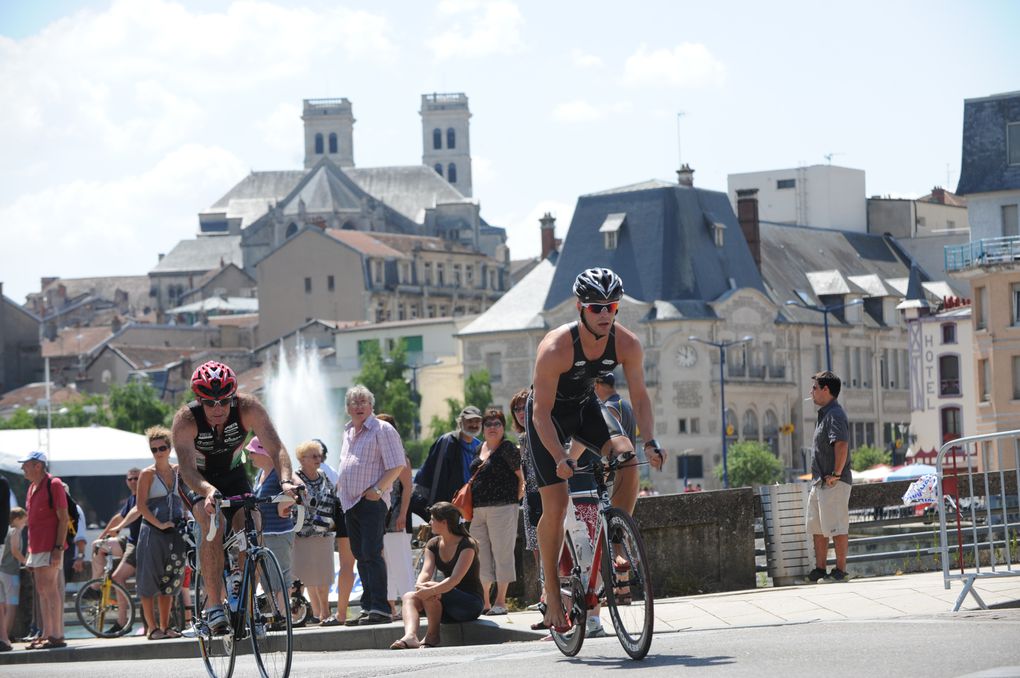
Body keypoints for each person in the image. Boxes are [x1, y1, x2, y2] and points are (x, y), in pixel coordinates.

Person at [527, 268, 666, 629]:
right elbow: (540, 413)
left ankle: (617, 537)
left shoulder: (627, 343)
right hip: (548, 418)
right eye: (596, 308)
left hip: (585, 407)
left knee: (628, 459)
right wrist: (559, 456)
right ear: (580, 308)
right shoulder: (556, 347)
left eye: (611, 306)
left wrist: (650, 439)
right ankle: (553, 593)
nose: (605, 314)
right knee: (555, 505)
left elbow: (640, 396)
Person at [171, 360, 300, 633]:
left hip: (232, 474)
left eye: (224, 401)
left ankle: (248, 605)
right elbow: (186, 469)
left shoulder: (248, 408)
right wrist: (207, 492)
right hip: (199, 480)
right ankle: (214, 606)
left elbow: (276, 449)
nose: (217, 408)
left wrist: (287, 481)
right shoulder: (186, 420)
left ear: (233, 397)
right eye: (209, 403)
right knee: (211, 524)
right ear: (198, 400)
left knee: (252, 520)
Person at [337, 385, 406, 626]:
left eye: (363, 401)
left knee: (371, 553)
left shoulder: (381, 429)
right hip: (350, 502)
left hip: (371, 502)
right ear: (347, 408)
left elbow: (397, 465)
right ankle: (368, 607)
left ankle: (380, 607)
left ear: (371, 406)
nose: (358, 406)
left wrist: (377, 491)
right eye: (354, 402)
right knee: (360, 555)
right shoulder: (347, 431)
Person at [389, 502, 483, 650]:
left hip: (468, 604)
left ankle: (432, 636)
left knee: (432, 589)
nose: (429, 522)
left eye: (433, 519)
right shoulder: (433, 544)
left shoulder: (467, 545)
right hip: (444, 603)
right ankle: (411, 636)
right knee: (409, 596)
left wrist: (431, 590)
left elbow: (454, 580)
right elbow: (425, 572)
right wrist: (421, 586)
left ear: (444, 522)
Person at [470, 407, 523, 615]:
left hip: (503, 507)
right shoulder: (479, 448)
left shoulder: (508, 448)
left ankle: (501, 601)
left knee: (502, 553)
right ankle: (485, 602)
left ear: (503, 427)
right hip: (477, 509)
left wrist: (514, 500)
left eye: (497, 423)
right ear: (483, 428)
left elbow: (522, 478)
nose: (493, 427)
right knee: (480, 556)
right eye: (489, 424)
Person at [135, 426, 187, 640]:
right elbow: (141, 507)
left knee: (171, 581)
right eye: (154, 449)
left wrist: (185, 517)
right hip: (152, 534)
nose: (159, 452)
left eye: (162, 447)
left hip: (176, 533)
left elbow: (185, 498)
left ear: (169, 447)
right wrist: (160, 523)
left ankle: (165, 627)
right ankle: (152, 628)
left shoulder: (178, 471)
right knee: (148, 581)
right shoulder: (147, 474)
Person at [805, 370, 852, 584]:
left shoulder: (835, 414)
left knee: (836, 526)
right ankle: (820, 569)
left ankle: (840, 570)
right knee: (817, 527)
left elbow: (841, 444)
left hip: (833, 482)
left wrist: (836, 473)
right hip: (819, 481)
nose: (811, 392)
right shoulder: (824, 414)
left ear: (826, 390)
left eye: (814, 388)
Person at [82, 468, 141, 635]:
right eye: (130, 479)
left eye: (136, 478)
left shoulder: (144, 495)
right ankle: (95, 587)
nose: (133, 482)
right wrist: (104, 534)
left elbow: (132, 515)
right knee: (99, 545)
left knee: (117, 577)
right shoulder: (132, 498)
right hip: (130, 541)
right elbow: (118, 517)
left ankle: (122, 622)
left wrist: (119, 528)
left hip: (140, 543)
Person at [20, 450, 68, 650]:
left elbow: (63, 518)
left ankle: (56, 635)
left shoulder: (53, 484)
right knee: (42, 590)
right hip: (36, 547)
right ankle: (47, 633)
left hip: (50, 546)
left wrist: (58, 547)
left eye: (26, 465)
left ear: (37, 466)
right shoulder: (32, 487)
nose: (23, 468)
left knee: (50, 588)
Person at [248, 437, 295, 621]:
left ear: (263, 452)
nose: (250, 456)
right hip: (262, 534)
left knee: (282, 575)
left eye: (252, 452)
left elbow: (300, 489)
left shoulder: (279, 473)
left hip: (279, 532)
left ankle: (283, 616)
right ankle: (276, 615)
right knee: (267, 578)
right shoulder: (260, 474)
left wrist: (285, 504)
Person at [292, 440, 338, 625]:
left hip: (324, 532)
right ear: (302, 459)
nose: (319, 459)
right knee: (305, 574)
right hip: (302, 533)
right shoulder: (294, 477)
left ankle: (325, 612)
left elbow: (333, 495)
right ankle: (304, 613)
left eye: (320, 456)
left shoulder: (324, 475)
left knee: (324, 574)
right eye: (314, 456)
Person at [411, 407, 483, 520]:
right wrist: (435, 506)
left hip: (472, 508)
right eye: (469, 421)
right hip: (449, 508)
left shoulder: (480, 446)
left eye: (477, 421)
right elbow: (434, 475)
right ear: (460, 422)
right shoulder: (447, 442)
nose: (473, 425)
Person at [313, 438, 356, 627]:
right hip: (334, 520)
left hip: (329, 522)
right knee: (338, 566)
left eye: (316, 455)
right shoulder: (330, 470)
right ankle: (330, 612)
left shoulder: (325, 471)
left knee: (338, 565)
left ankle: (330, 612)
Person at [377, 413, 415, 621]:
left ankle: (409, 605)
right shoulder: (378, 455)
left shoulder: (401, 455)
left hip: (396, 518)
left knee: (401, 563)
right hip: (381, 517)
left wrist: (402, 515)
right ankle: (390, 607)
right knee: (386, 564)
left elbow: (408, 488)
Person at [0, 507, 28, 652]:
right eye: (24, 520)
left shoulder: (4, 531)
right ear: (17, 519)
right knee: (12, 605)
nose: (25, 523)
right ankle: (5, 637)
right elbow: (15, 550)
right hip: (11, 572)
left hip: (1, 571)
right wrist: (26, 562)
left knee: (2, 606)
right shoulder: (15, 531)